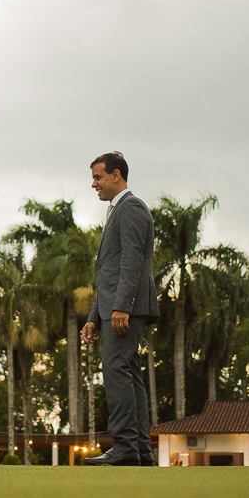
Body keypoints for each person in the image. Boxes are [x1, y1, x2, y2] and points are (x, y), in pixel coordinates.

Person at [81, 152, 159, 466]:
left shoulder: (131, 208)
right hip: (114, 306)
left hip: (126, 308)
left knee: (116, 370)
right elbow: (110, 271)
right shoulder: (117, 211)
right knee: (127, 374)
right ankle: (140, 451)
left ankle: (126, 447)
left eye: (98, 177)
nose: (93, 184)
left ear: (116, 175)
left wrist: (121, 308)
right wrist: (92, 317)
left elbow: (132, 262)